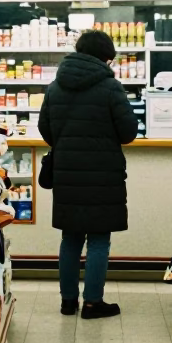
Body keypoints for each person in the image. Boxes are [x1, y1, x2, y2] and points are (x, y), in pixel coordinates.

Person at [37, 28, 139, 319]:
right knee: (98, 240)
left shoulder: (56, 86)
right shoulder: (111, 87)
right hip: (102, 177)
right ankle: (93, 302)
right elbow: (128, 132)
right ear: (105, 58)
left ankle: (68, 301)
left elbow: (45, 129)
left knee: (70, 238)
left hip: (67, 176)